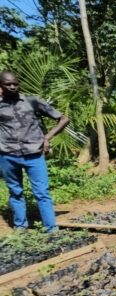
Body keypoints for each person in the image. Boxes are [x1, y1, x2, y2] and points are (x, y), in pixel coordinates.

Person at [0, 70, 69, 232]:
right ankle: (20, 227)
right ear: (1, 86)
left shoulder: (32, 101)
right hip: (7, 155)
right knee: (15, 191)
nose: (12, 87)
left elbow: (63, 118)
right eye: (8, 84)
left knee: (42, 192)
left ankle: (50, 228)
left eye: (15, 84)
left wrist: (47, 137)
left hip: (34, 154)